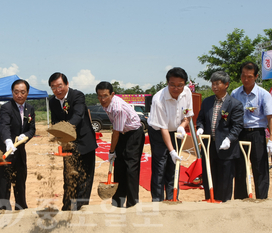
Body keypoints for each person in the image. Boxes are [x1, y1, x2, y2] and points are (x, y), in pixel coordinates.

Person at [48, 72, 98, 211]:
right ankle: (68, 208)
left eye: (60, 86)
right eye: (53, 87)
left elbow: (78, 115)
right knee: (69, 178)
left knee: (84, 180)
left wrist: (66, 129)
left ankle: (81, 210)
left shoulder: (77, 95)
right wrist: (59, 134)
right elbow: (55, 120)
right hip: (68, 145)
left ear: (67, 84)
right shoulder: (52, 101)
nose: (57, 90)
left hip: (84, 143)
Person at [95, 81, 145, 208]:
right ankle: (117, 202)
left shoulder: (118, 108)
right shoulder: (107, 104)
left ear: (112, 94)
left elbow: (115, 133)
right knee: (119, 166)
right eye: (100, 96)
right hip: (123, 133)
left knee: (130, 169)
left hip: (133, 134)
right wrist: (114, 153)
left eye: (105, 96)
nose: (102, 99)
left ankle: (132, 203)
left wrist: (111, 151)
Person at [196, 71, 244, 202]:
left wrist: (229, 139)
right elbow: (200, 119)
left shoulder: (235, 104)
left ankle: (223, 204)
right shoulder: (207, 102)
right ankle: (210, 201)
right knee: (209, 177)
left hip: (226, 148)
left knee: (225, 178)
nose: (214, 86)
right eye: (213, 83)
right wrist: (200, 128)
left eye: (218, 83)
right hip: (209, 147)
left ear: (226, 85)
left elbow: (237, 126)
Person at [148, 67, 194, 202]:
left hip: (175, 132)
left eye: (180, 85)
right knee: (160, 166)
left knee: (174, 166)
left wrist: (181, 127)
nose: (176, 88)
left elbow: (188, 115)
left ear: (184, 84)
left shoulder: (187, 92)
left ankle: (173, 199)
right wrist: (172, 150)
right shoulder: (158, 99)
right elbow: (163, 128)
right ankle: (157, 201)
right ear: (167, 83)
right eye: (172, 85)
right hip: (158, 132)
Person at [231, 62, 272, 199]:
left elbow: (270, 118)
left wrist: (271, 140)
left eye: (249, 76)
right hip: (240, 133)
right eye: (243, 76)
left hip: (257, 133)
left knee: (260, 167)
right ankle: (241, 199)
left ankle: (261, 198)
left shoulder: (264, 95)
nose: (246, 79)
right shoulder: (235, 93)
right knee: (240, 168)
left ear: (256, 76)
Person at [0, 79, 36, 210]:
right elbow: (4, 126)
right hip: (4, 151)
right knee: (3, 184)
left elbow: (32, 129)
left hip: (20, 152)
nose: (19, 95)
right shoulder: (6, 107)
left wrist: (26, 136)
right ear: (12, 92)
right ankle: (4, 211)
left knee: (20, 182)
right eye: (16, 92)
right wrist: (8, 141)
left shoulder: (30, 108)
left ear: (27, 93)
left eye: (22, 92)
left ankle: (21, 208)